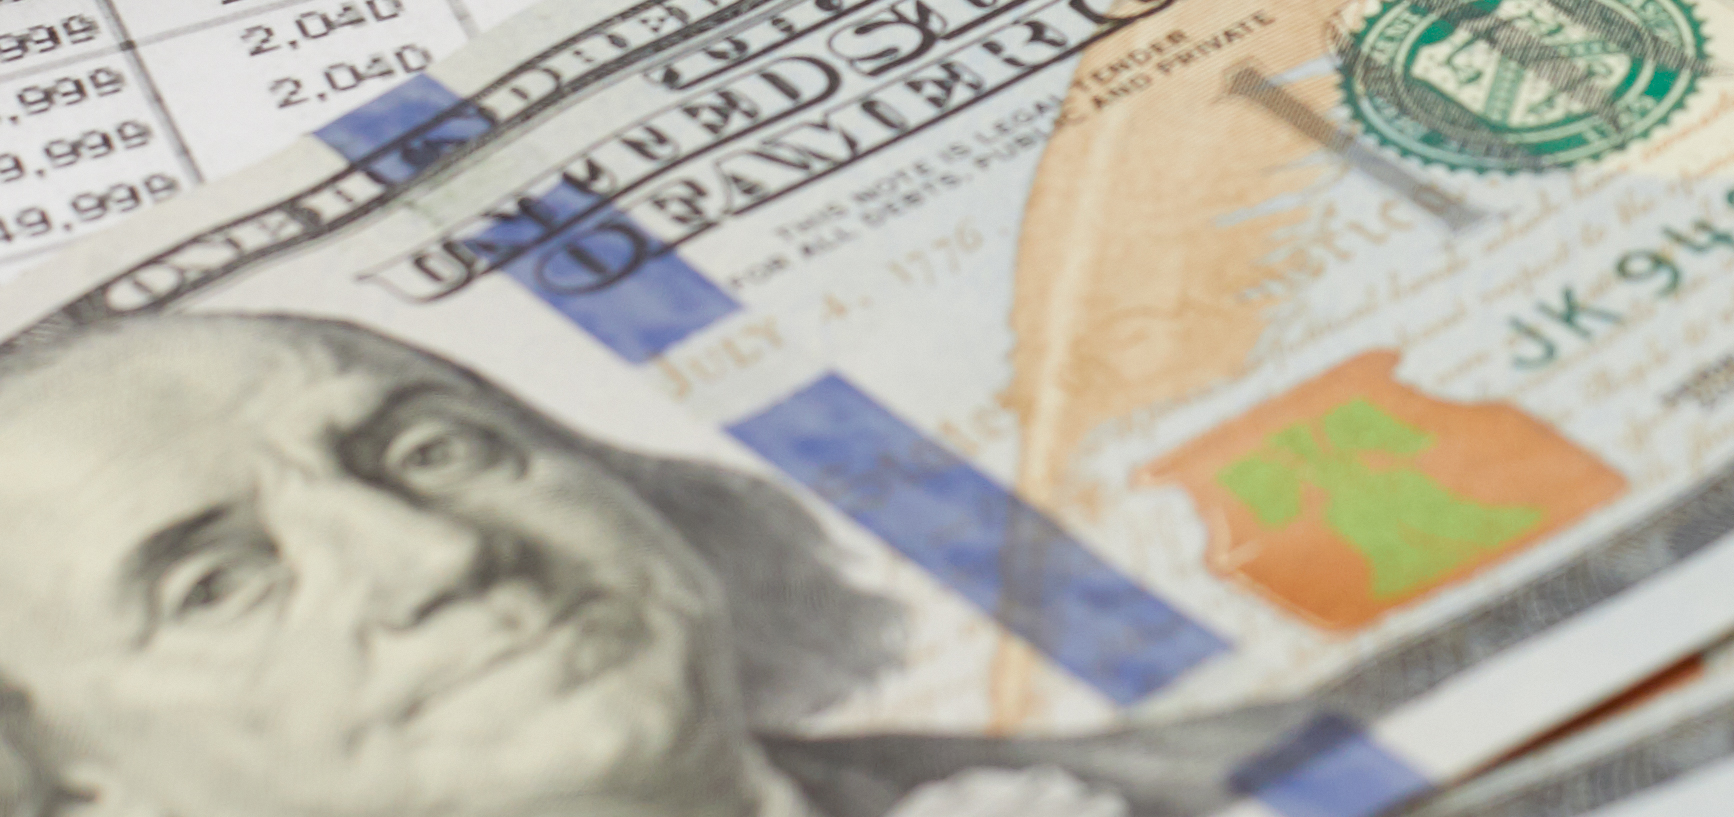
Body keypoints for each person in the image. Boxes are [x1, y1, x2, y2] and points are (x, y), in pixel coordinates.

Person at [0, 311, 1264, 817]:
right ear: (70, 786)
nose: (438, 552)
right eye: (215, 585)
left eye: (434, 451)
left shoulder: (1232, 774)